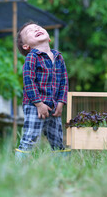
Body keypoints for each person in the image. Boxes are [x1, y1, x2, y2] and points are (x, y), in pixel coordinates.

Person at [15, 21, 70, 158]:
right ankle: (21, 165)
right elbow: (29, 82)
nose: (36, 29)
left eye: (38, 28)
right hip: (34, 105)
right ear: (26, 46)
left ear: (49, 37)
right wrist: (39, 104)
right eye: (30, 31)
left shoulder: (58, 57)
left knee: (57, 138)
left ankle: (62, 164)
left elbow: (64, 82)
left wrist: (61, 103)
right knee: (31, 136)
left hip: (53, 105)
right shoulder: (32, 57)